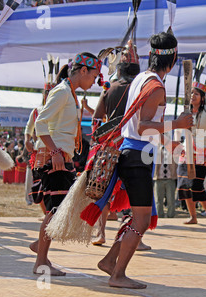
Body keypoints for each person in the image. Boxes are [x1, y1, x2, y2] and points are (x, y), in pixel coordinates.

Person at [98, 31, 192, 289]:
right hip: (138, 156)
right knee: (141, 219)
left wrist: (169, 142)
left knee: (136, 217)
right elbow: (144, 127)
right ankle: (117, 275)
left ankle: (109, 261)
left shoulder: (141, 78)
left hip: (135, 153)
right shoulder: (156, 86)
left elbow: (145, 127)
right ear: (172, 61)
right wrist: (179, 123)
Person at [29, 51, 102, 276]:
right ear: (82, 70)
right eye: (94, 75)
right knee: (55, 211)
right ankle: (41, 261)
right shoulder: (61, 92)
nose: (94, 81)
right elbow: (40, 124)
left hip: (62, 158)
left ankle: (39, 248)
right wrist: (55, 152)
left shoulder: (69, 93)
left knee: (59, 209)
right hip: (55, 159)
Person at [90, 39, 141, 246]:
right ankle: (132, 237)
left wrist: (98, 142)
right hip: (131, 144)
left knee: (104, 188)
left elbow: (96, 117)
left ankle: (100, 233)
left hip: (109, 144)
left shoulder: (109, 88)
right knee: (134, 190)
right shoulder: (139, 89)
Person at [177, 54, 206, 226]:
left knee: (196, 186)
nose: (192, 96)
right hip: (185, 152)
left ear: (202, 97)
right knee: (183, 186)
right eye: (191, 94)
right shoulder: (186, 112)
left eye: (196, 94)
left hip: (203, 154)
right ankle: (193, 217)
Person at [154, 136, 178, 218]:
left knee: (171, 199)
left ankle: (171, 215)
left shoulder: (173, 151)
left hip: (170, 178)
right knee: (158, 199)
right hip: (158, 178)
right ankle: (159, 215)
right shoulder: (157, 150)